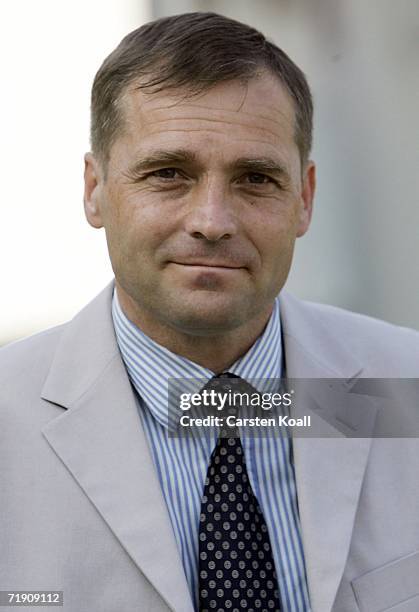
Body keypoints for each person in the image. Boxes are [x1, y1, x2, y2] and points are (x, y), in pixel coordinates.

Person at [1, 12, 419, 612]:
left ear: (304, 199)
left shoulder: (405, 389)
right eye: (168, 173)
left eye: (255, 178)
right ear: (94, 189)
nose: (213, 221)